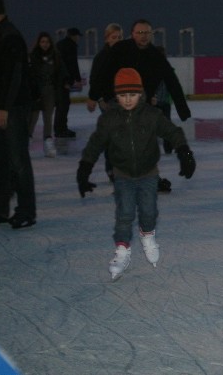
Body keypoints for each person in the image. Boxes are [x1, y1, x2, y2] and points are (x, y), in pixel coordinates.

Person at [77, 68, 196, 280]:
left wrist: (184, 153)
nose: (128, 100)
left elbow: (173, 132)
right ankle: (122, 250)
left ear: (140, 94)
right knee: (124, 214)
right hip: (122, 175)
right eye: (123, 96)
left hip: (148, 173)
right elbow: (95, 143)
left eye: (132, 95)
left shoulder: (152, 115)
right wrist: (84, 168)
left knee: (149, 211)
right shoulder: (110, 119)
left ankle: (147, 235)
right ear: (117, 96)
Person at [88, 19, 191, 193]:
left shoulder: (155, 54)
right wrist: (94, 96)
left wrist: (182, 109)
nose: (143, 36)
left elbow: (171, 80)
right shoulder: (120, 49)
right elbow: (103, 73)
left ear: (151, 35)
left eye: (147, 33)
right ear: (133, 34)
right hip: (116, 99)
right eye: (140, 33)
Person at [0, 0, 38, 229]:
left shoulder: (10, 36)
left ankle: (26, 210)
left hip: (12, 108)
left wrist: (5, 108)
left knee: (18, 159)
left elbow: (14, 77)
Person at [85, 23, 124, 182]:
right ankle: (111, 168)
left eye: (120, 37)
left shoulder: (126, 55)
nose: (117, 40)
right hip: (108, 101)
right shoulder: (101, 57)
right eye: (114, 37)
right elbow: (95, 80)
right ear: (107, 39)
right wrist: (98, 99)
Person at [28, 32, 64, 157]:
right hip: (36, 91)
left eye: (47, 42)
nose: (45, 44)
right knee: (33, 117)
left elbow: (60, 72)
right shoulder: (33, 56)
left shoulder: (55, 56)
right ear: (38, 43)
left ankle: (48, 141)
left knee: (48, 117)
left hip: (50, 91)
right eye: (42, 42)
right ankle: (27, 139)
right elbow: (30, 74)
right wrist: (33, 90)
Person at [54, 27, 82, 138]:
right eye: (77, 36)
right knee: (63, 105)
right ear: (73, 36)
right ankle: (61, 129)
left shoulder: (60, 44)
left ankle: (60, 128)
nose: (78, 39)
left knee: (62, 105)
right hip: (63, 80)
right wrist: (76, 79)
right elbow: (72, 64)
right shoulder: (70, 46)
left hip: (58, 79)